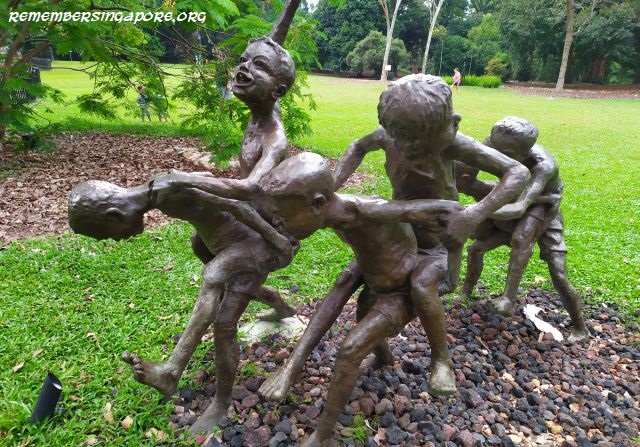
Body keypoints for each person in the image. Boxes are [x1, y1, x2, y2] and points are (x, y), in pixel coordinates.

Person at [171, 75, 531, 402]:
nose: (410, 150)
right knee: (346, 279)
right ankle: (298, 366)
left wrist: (474, 216)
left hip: (440, 239)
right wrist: (331, 189)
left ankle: (441, 359)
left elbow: (516, 173)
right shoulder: (389, 137)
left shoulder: (454, 143)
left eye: (420, 144)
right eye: (404, 141)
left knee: (422, 287)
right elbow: (358, 146)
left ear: (452, 124)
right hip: (401, 227)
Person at [159, 152, 465, 444]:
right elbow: (332, 301)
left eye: (280, 216)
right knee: (354, 298)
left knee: (350, 350)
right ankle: (384, 358)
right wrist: (291, 367)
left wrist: (451, 266)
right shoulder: (335, 214)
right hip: (375, 271)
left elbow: (453, 213)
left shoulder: (369, 210)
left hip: (406, 284)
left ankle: (324, 435)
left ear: (317, 204)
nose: (274, 223)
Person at [67, 176, 297, 430]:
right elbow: (211, 193)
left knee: (219, 303)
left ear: (114, 216)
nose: (117, 240)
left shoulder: (168, 192)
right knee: (221, 274)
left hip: (251, 243)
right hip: (225, 243)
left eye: (110, 235)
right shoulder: (160, 190)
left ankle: (205, 391)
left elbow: (238, 202)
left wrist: (278, 241)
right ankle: (281, 307)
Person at [456, 116, 589, 341]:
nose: (495, 155)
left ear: (521, 152)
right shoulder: (495, 143)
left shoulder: (543, 165)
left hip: (540, 208)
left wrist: (478, 211)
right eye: (492, 147)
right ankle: (466, 292)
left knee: (553, 267)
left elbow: (520, 208)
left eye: (504, 153)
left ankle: (578, 326)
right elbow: (464, 178)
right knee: (476, 249)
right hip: (515, 196)